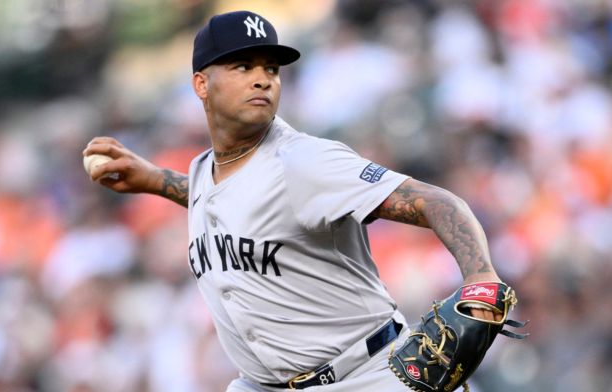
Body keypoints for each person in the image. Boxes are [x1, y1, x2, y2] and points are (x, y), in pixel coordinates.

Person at [83, 10, 504, 392]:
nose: (263, 78)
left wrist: (481, 280)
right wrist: (156, 180)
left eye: (271, 68)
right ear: (201, 84)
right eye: (243, 66)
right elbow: (236, 198)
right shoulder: (202, 170)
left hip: (366, 376)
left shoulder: (304, 160)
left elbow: (439, 203)